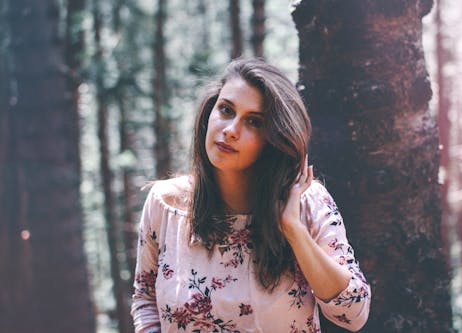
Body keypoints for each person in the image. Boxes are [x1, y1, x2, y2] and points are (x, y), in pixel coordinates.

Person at [130, 58, 371, 333]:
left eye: (254, 122)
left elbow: (353, 314)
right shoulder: (166, 205)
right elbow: (145, 299)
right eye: (226, 110)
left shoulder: (307, 202)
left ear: (274, 139)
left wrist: (293, 229)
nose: (231, 130)